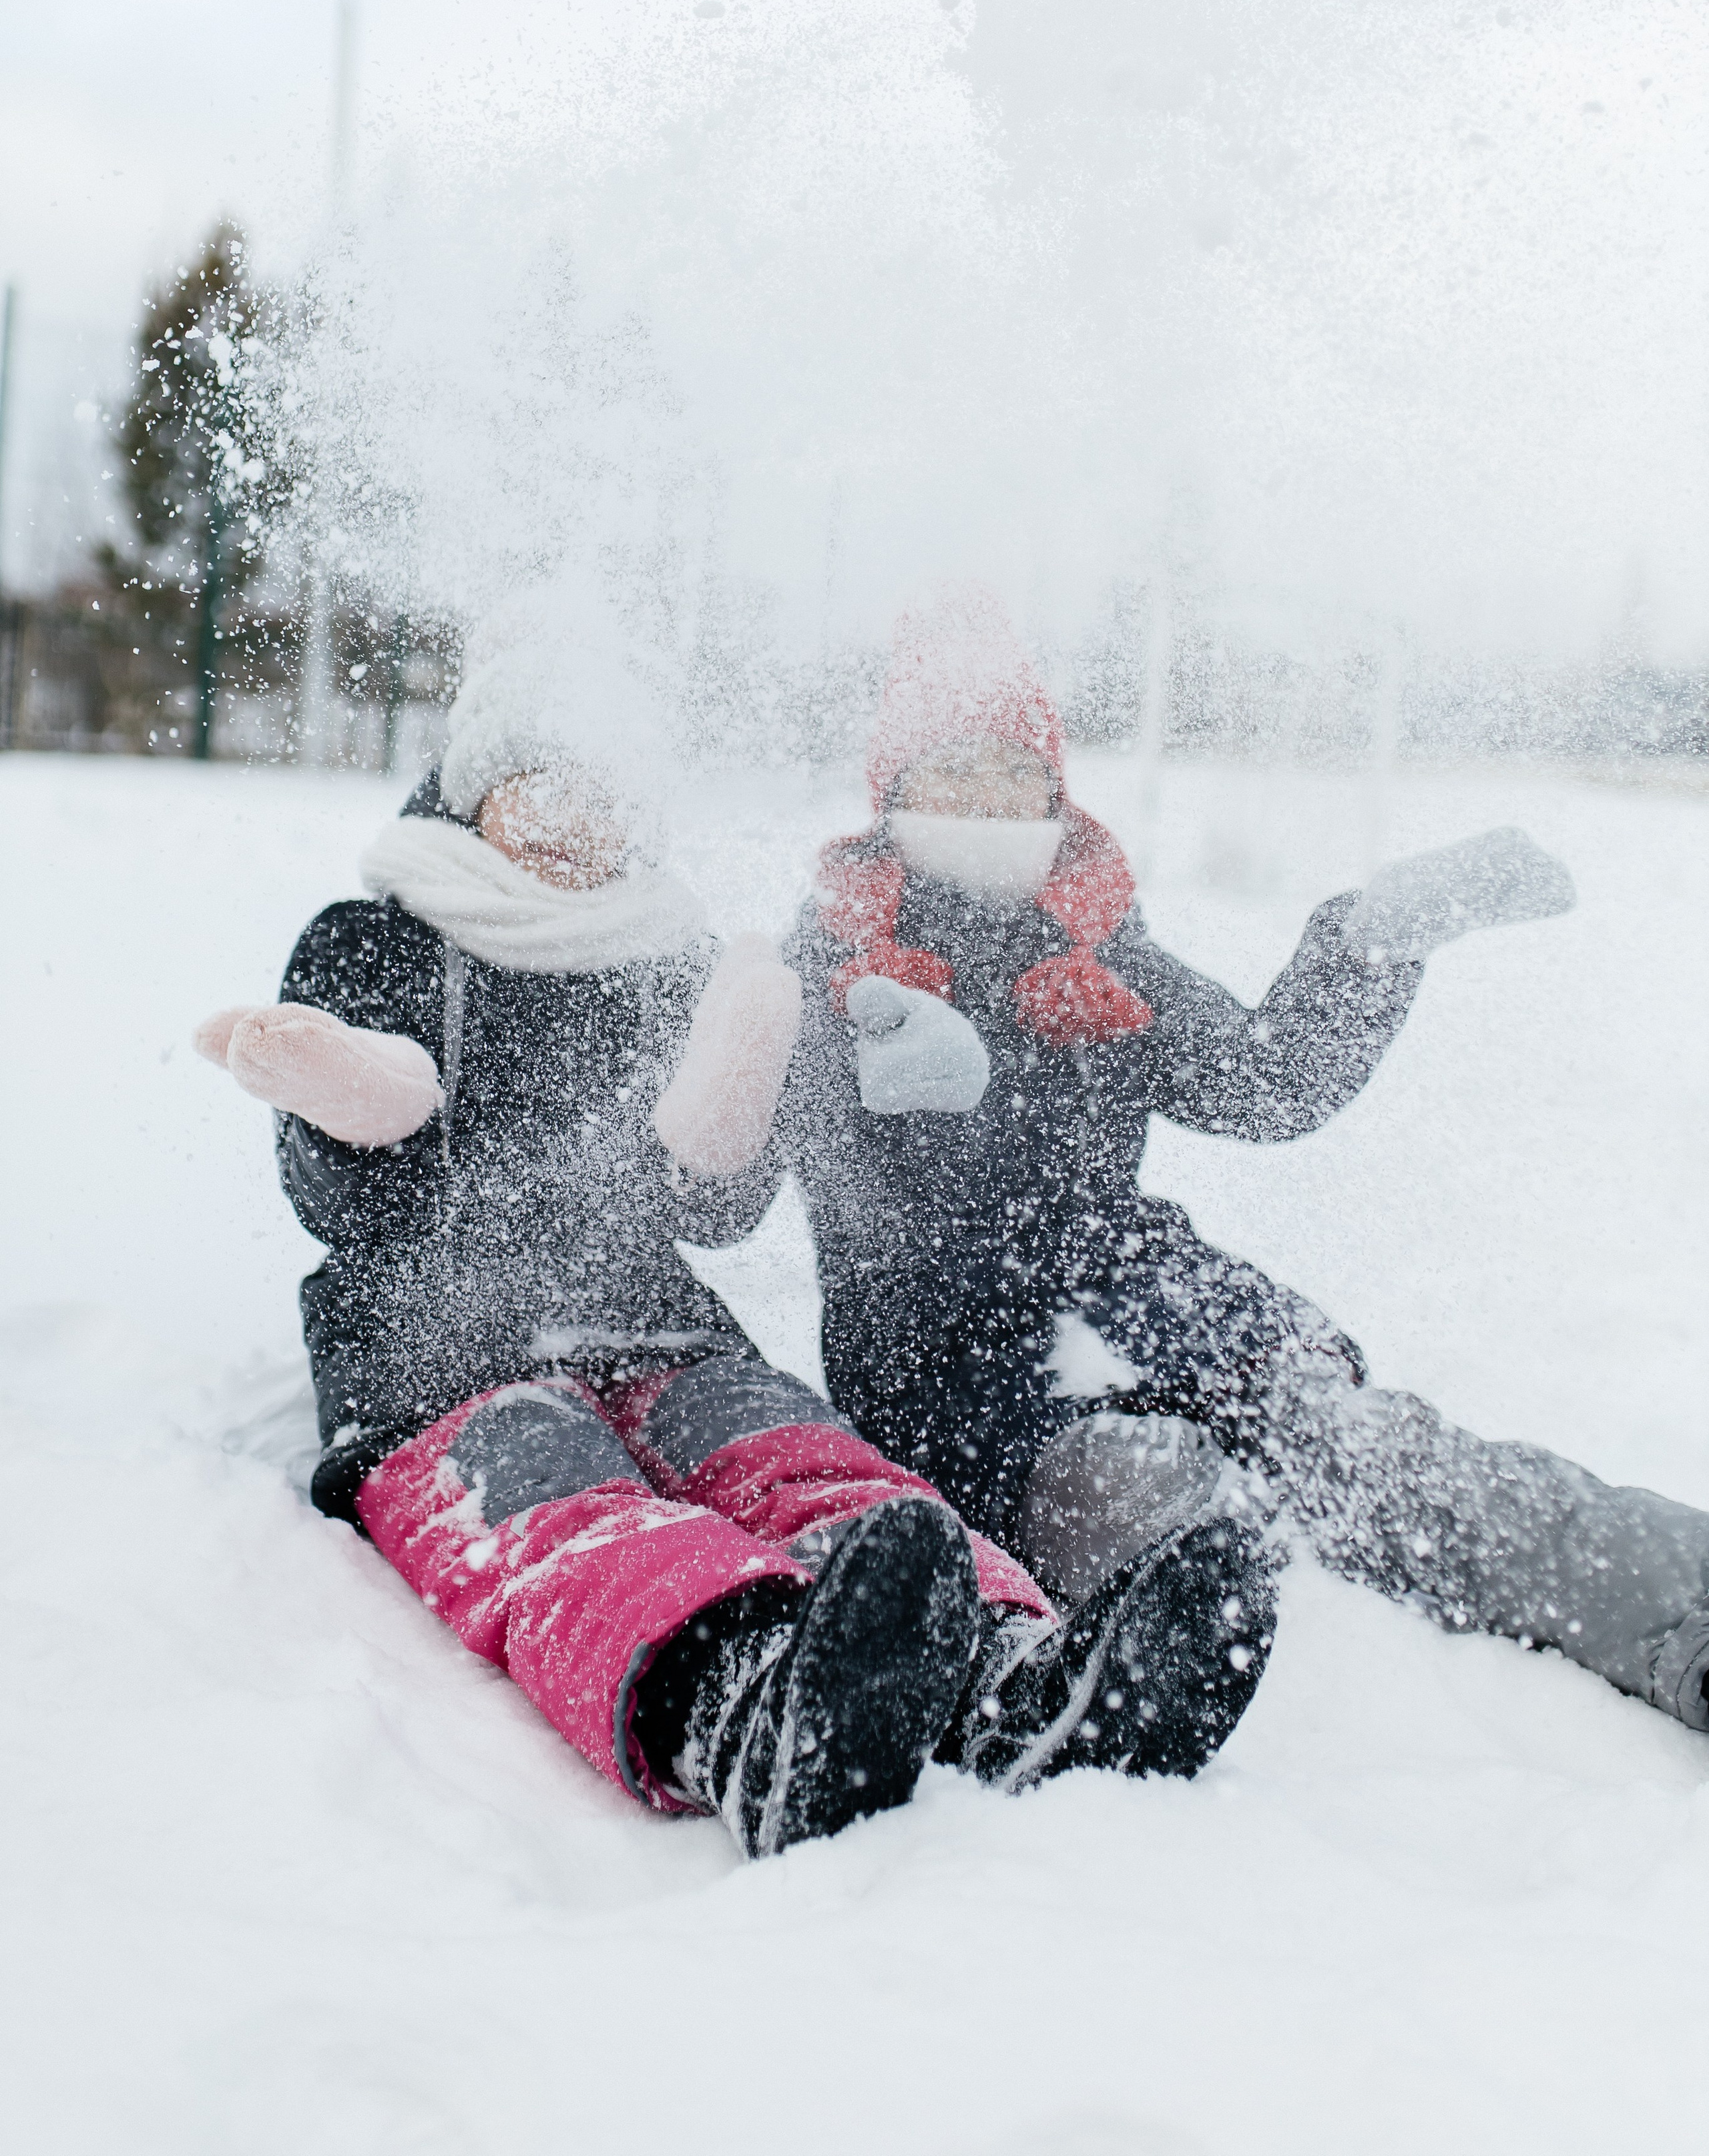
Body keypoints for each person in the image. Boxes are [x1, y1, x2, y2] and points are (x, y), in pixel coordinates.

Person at [197, 612, 1269, 1858]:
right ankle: (743, 1702)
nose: (579, 818)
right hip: (437, 1359)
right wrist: (362, 1106)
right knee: (569, 1511)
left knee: (807, 1459)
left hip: (662, 1327)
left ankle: (1014, 1671)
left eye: (608, 793)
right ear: (481, 795)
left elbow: (715, 1212)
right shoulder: (374, 938)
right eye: (547, 784)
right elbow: (352, 1215)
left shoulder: (669, 958)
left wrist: (724, 1118)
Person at [662, 587, 1709, 1744]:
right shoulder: (823, 963)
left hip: (1157, 1296)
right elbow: (721, 1203)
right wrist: (750, 1066)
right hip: (953, 1363)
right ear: (893, 792)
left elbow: (1265, 1081)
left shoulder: (1101, 954)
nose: (986, 800)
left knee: (1381, 1455)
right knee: (1160, 1507)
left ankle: (1682, 1612)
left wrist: (1367, 945)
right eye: (951, 771)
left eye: (1013, 773)